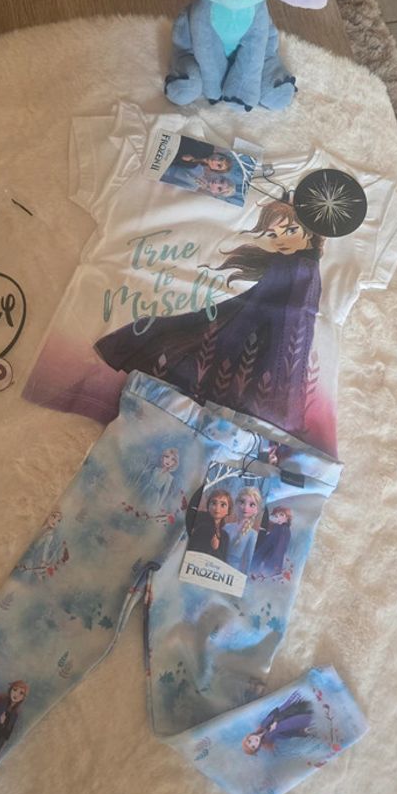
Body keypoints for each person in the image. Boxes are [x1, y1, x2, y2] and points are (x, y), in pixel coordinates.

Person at [94, 197, 325, 437]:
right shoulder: (286, 264)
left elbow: (292, 321)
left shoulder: (304, 269)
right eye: (273, 235)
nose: (282, 240)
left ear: (309, 232)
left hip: (271, 338)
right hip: (253, 327)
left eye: (290, 231)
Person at [242, 690, 314, 755]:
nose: (254, 742)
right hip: (297, 718)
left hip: (290, 708)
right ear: (257, 748)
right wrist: (302, 732)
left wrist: (275, 721)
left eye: (249, 741)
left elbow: (275, 712)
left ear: (249, 736)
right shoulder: (269, 738)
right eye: (253, 746)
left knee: (307, 694)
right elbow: (288, 733)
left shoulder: (263, 725)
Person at [224, 486, 263, 574]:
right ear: (236, 504)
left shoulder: (253, 535)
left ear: (256, 510)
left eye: (251, 505)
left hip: (234, 572)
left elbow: (248, 561)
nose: (245, 507)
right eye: (242, 502)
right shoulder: (226, 527)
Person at [187, 489, 232, 562]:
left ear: (228, 510)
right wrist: (211, 548)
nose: (217, 508)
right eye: (214, 503)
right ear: (208, 506)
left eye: (223, 505)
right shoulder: (200, 525)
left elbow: (222, 561)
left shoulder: (225, 536)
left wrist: (215, 549)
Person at [250, 506, 293, 577]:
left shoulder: (283, 530)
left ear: (287, 518)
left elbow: (278, 550)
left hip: (268, 566)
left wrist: (265, 571)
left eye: (281, 515)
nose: (278, 517)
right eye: (276, 515)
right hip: (263, 563)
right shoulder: (277, 528)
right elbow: (267, 543)